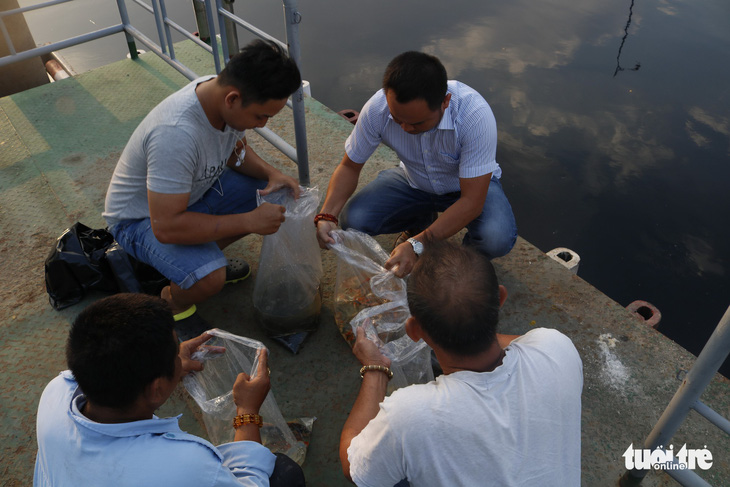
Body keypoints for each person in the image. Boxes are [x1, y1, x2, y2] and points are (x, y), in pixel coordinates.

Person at [103, 39, 302, 339]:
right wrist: (250, 221)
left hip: (187, 199)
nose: (261, 125)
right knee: (211, 279)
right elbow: (166, 227)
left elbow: (235, 151)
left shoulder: (217, 96)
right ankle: (173, 299)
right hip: (141, 220)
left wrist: (273, 174)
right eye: (261, 116)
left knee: (265, 192)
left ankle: (190, 265)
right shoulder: (176, 134)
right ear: (233, 99)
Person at [339, 241, 583, 486]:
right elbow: (518, 342)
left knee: (393, 458)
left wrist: (375, 368)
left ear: (414, 331)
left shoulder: (410, 417)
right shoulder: (557, 347)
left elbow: (354, 468)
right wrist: (467, 327)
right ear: (500, 298)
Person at [34, 293, 305, 487]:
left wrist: (168, 369)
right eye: (176, 351)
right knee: (283, 473)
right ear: (156, 389)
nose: (181, 352)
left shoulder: (56, 392)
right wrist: (247, 410)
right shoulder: (183, 465)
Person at [315, 51, 517, 277]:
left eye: (417, 123)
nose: (406, 129)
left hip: (467, 189)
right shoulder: (377, 109)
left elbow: (471, 201)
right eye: (397, 119)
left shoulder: (474, 116)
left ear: (445, 102)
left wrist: (417, 245)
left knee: (496, 237)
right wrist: (327, 216)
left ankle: (459, 259)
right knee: (354, 219)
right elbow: (349, 167)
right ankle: (418, 225)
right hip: (414, 181)